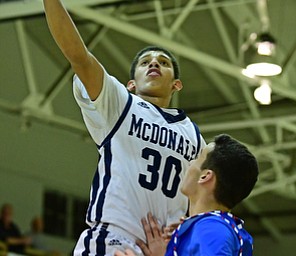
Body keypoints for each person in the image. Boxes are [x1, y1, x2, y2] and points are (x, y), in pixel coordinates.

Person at [43, 1, 206, 255]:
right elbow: (79, 57)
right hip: (113, 238)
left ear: (176, 85)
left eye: (163, 62)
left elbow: (204, 196)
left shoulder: (195, 137)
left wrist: (188, 226)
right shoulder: (120, 104)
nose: (154, 64)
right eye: (145, 63)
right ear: (131, 83)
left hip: (164, 249)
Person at [115, 134, 259, 256]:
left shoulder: (211, 230)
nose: (190, 163)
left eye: (197, 159)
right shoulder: (213, 228)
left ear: (205, 176)